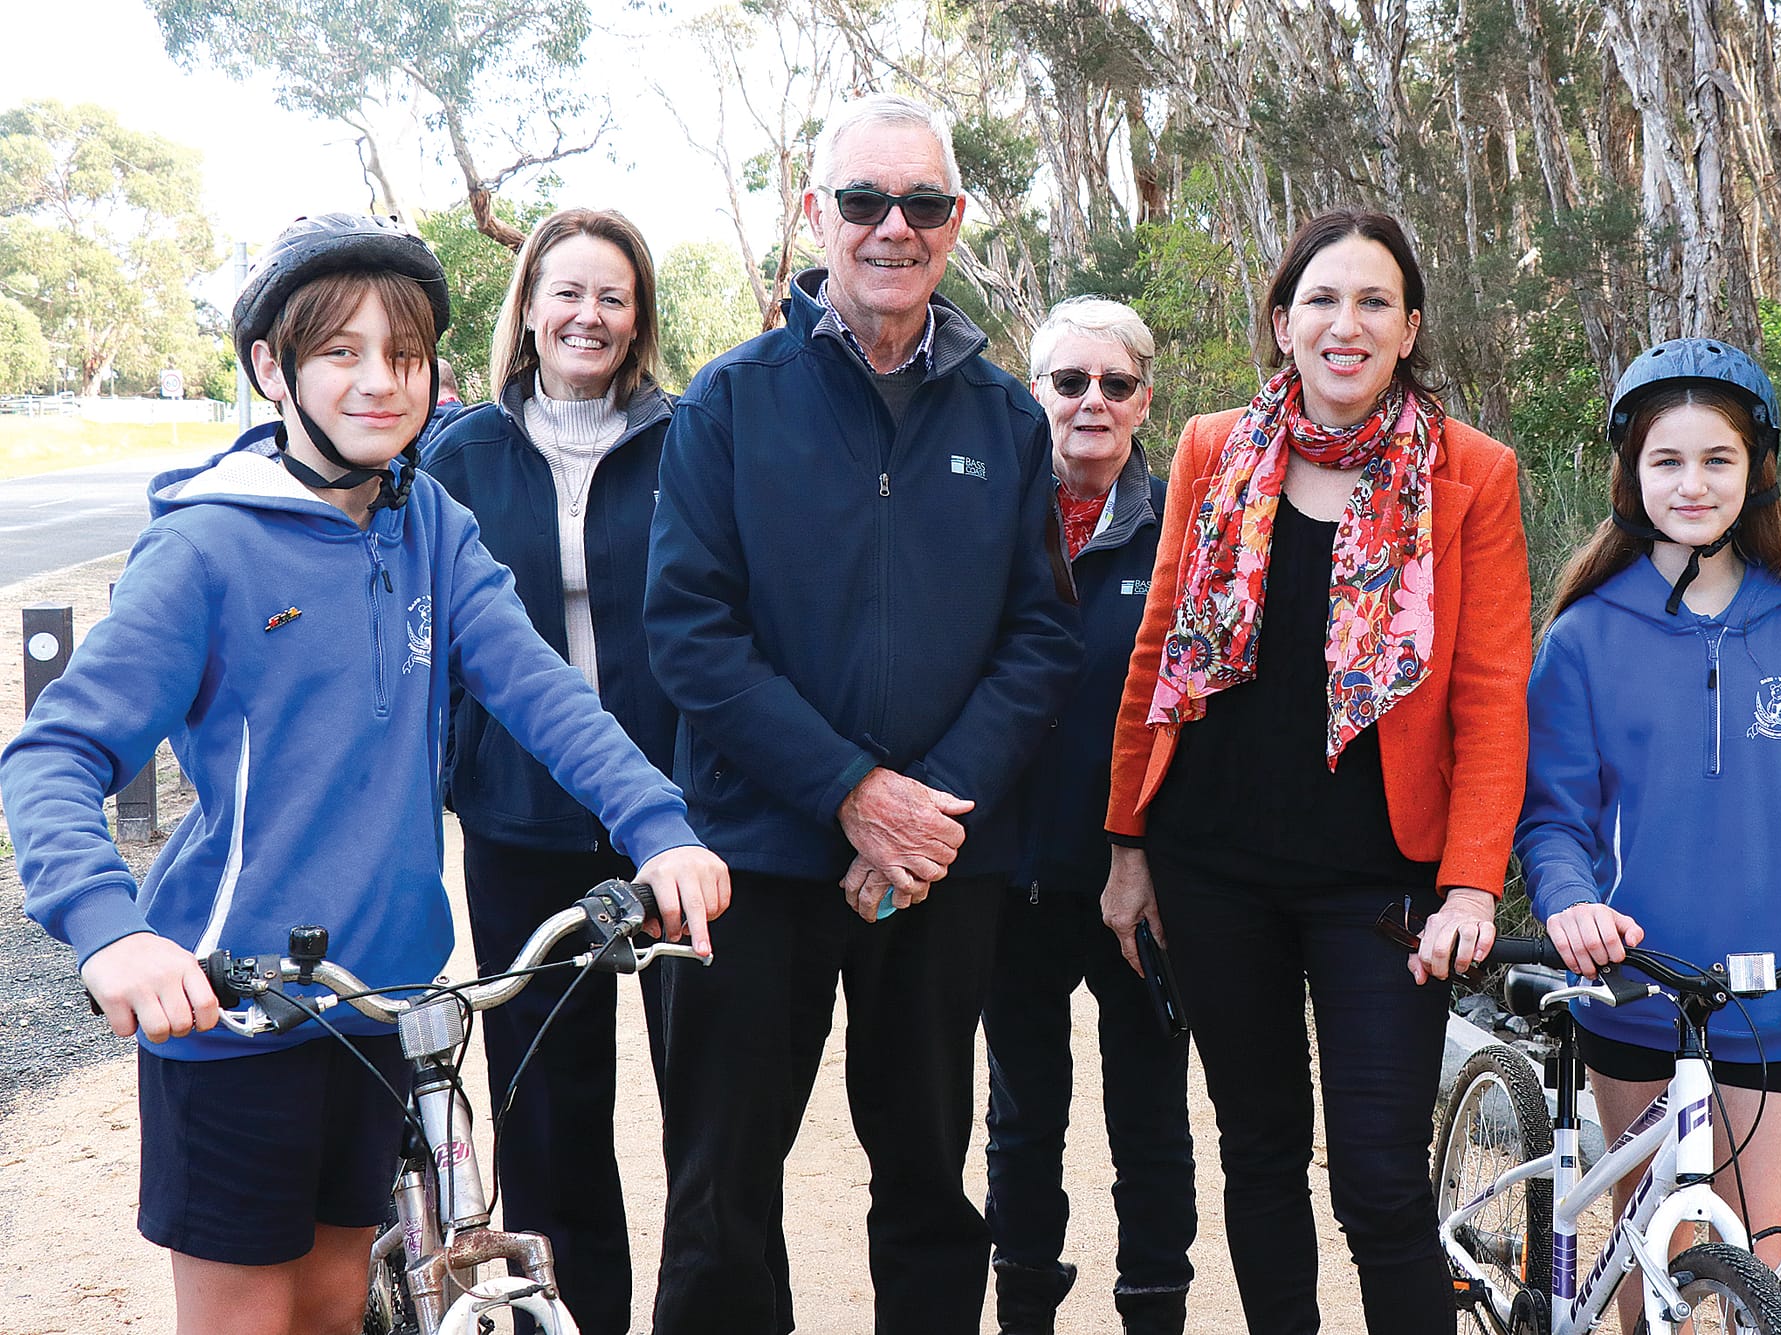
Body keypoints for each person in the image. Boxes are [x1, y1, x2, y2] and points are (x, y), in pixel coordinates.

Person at [0, 213, 730, 1335]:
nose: (382, 382)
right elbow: (56, 753)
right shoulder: (206, 549)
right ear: (270, 368)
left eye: (404, 354)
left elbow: (540, 691)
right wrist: (113, 932)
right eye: (342, 351)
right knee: (253, 1321)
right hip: (234, 1010)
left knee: (341, 1304)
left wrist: (659, 825)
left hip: (386, 1002)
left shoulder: (428, 519)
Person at [643, 93, 1082, 1335]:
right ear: (813, 213)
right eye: (863, 201)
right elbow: (689, 632)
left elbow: (1038, 634)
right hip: (758, 858)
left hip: (942, 865)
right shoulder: (727, 405)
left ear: (953, 222)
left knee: (930, 1181)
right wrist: (849, 793)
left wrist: (924, 814)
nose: (893, 227)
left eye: (923, 203)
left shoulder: (1005, 419)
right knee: (723, 1188)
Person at [1102, 207, 1532, 1334]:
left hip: (1379, 878)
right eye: (1322, 300)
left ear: (1408, 329)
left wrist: (1474, 883)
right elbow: (1159, 653)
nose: (1346, 324)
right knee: (1256, 1151)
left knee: (1381, 1186)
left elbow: (1491, 693)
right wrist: (1126, 846)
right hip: (1209, 864)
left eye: (1373, 302)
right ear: (1282, 323)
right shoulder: (1210, 448)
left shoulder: (1470, 475)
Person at [1515, 336, 1781, 1322]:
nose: (1691, 482)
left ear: (1755, 474)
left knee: (1762, 1256)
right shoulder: (1580, 637)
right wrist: (1571, 905)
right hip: (1629, 985)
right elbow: (1553, 823)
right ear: (1630, 475)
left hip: (1770, 996)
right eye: (1666, 459)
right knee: (1647, 1250)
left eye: (1717, 459)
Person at [423, 207, 677, 1335]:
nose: (588, 314)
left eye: (612, 296)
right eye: (565, 292)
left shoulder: (692, 439)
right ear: (526, 307)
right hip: (519, 824)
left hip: (673, 819)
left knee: (713, 1109)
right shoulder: (457, 455)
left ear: (639, 319)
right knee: (549, 1119)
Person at [981, 297, 1194, 1335]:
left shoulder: (1184, 536)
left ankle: (1153, 1309)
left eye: (1115, 384)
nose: (1092, 402)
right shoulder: (991, 524)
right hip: (1010, 879)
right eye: (1069, 382)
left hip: (1139, 887)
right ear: (1035, 396)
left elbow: (1197, 713)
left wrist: (1145, 852)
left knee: (1149, 1116)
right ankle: (1022, 1304)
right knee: (1022, 1118)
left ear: (1145, 399)